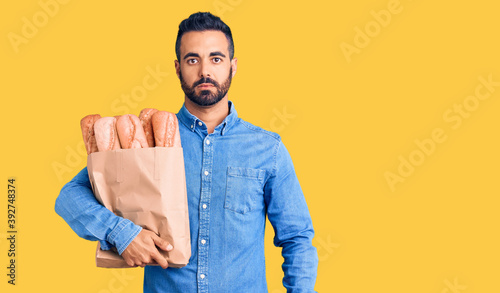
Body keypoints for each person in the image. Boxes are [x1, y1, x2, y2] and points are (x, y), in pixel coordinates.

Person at [55, 11, 318, 292]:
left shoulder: (267, 149)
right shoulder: (148, 141)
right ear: (178, 68)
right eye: (193, 59)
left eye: (216, 59)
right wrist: (122, 234)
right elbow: (69, 197)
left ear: (233, 65)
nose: (205, 71)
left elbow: (297, 238)